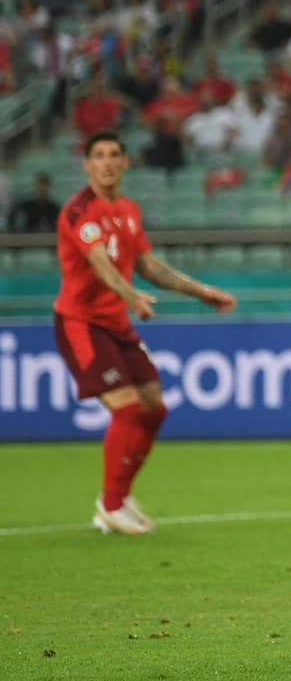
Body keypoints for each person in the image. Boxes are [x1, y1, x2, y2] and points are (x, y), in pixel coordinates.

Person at [54, 131, 237, 534]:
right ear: (86, 164)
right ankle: (111, 504)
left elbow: (149, 265)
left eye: (114, 155)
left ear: (125, 163)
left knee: (154, 408)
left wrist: (200, 292)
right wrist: (130, 294)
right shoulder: (78, 211)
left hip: (117, 324)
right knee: (128, 408)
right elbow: (100, 262)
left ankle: (119, 495)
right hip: (81, 324)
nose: (106, 162)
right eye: (98, 155)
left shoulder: (128, 210)